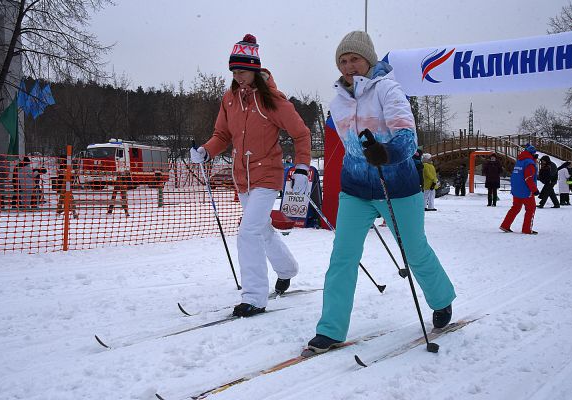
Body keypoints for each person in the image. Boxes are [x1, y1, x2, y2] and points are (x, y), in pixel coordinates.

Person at [306, 31, 455, 353]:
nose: (349, 66)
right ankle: (331, 329)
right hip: (355, 189)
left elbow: (406, 136)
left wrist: (386, 153)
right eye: (343, 61)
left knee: (415, 251)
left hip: (397, 187)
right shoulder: (337, 100)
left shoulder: (388, 89)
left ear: (369, 60)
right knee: (343, 257)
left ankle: (442, 300)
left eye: (355, 59)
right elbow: (344, 142)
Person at [190, 34, 311, 318]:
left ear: (255, 69)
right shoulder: (230, 99)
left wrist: (303, 166)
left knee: (248, 232)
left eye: (242, 71)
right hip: (241, 177)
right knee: (261, 229)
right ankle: (287, 269)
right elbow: (222, 134)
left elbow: (301, 133)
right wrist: (206, 152)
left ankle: (254, 297)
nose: (237, 76)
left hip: (267, 174)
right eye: (234, 71)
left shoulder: (272, 100)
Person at [500, 144, 539, 234]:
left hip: (516, 190)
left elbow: (516, 176)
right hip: (526, 191)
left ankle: (505, 225)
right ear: (533, 154)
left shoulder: (519, 161)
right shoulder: (529, 163)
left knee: (515, 208)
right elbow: (528, 178)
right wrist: (534, 190)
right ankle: (527, 229)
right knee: (530, 209)